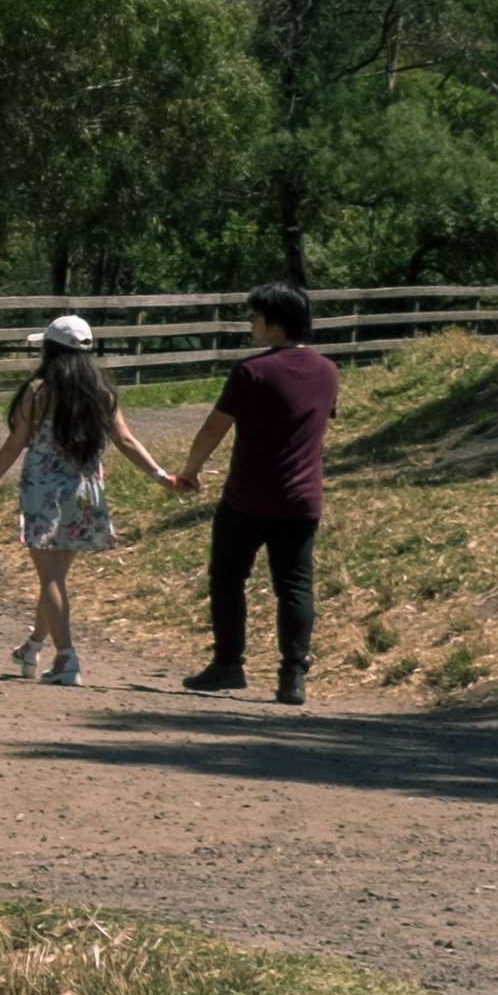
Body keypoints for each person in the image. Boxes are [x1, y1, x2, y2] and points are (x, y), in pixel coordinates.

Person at [0, 313, 185, 686]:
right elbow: (126, 440)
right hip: (85, 492)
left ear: (51, 350)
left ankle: (66, 659)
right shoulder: (102, 393)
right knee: (55, 577)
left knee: (50, 578)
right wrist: (160, 475)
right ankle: (33, 647)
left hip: (44, 491)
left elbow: (15, 442)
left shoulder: (38, 391)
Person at [171, 283, 338, 704]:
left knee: (228, 578)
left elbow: (215, 426)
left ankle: (229, 663)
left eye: (255, 317)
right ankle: (293, 675)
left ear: (273, 321)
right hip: (302, 498)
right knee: (295, 586)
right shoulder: (327, 371)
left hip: (247, 496)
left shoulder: (252, 371)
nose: (251, 325)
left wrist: (190, 470)